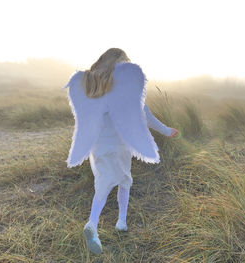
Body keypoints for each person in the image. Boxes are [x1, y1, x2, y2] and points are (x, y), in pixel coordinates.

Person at [64, 48, 179, 254]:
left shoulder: (92, 88)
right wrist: (167, 130)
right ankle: (117, 222)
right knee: (124, 180)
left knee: (103, 183)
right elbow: (146, 115)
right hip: (120, 145)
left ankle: (97, 223)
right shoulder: (126, 90)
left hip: (99, 147)